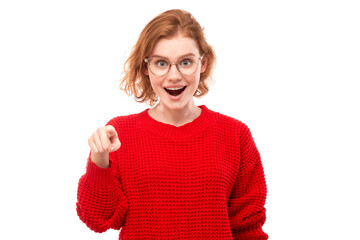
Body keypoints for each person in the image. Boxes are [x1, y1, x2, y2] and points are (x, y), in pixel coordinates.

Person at [76, 9, 268, 239]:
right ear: (146, 68)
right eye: (161, 63)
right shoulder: (119, 134)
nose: (174, 75)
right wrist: (99, 160)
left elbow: (248, 229)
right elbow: (99, 219)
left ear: (203, 63)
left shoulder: (235, 134)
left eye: (185, 62)